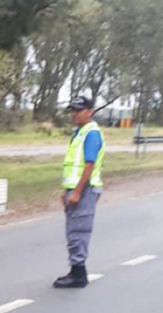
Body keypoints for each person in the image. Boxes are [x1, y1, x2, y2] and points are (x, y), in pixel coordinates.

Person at [54, 96, 106, 289]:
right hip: (75, 189)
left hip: (85, 190)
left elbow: (89, 165)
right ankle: (75, 270)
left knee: (79, 231)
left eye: (78, 110)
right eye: (73, 110)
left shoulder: (91, 133)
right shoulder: (79, 132)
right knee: (72, 231)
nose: (74, 114)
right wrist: (66, 189)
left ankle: (79, 274)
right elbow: (72, 166)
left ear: (89, 112)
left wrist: (76, 191)